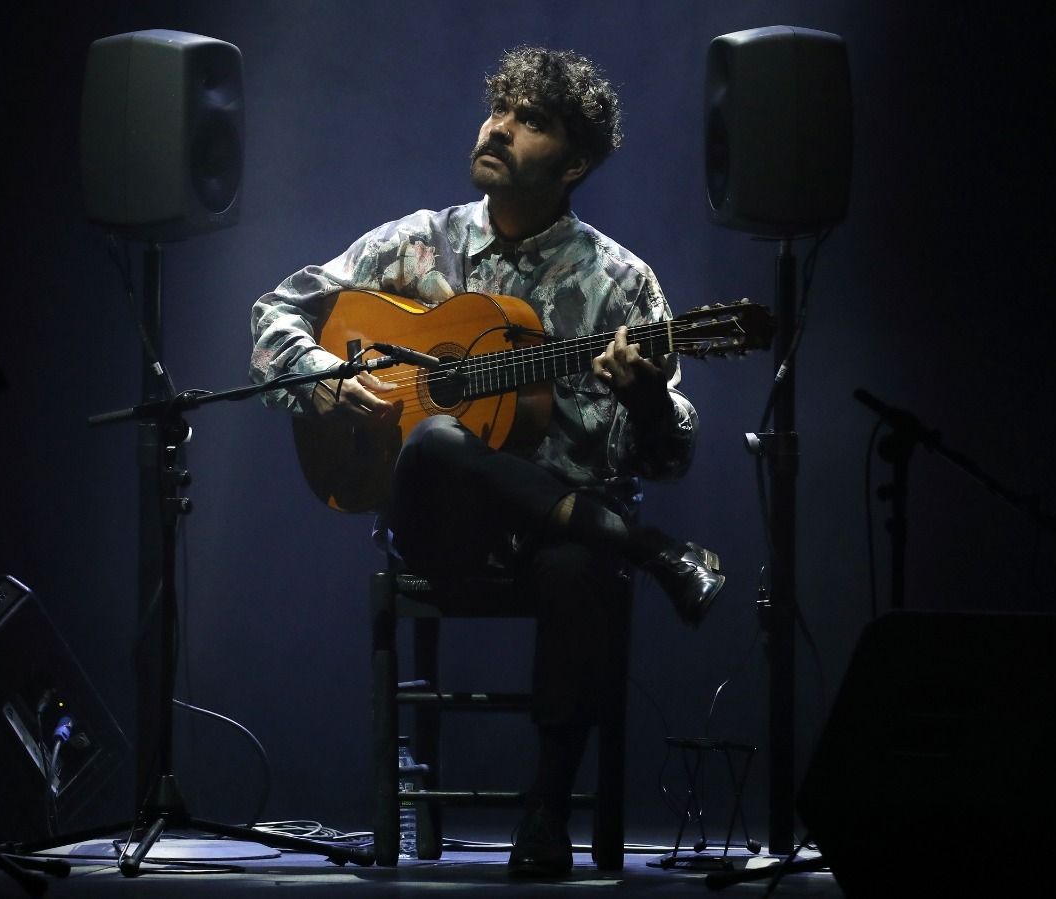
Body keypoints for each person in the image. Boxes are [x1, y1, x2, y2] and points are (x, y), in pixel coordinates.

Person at [250, 46, 723, 877]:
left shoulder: (621, 281)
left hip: (565, 531)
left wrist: (649, 401)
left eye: (530, 119)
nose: (499, 127)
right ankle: (649, 552)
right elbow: (277, 309)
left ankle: (544, 813)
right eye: (499, 108)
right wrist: (324, 381)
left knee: (578, 567)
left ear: (574, 163)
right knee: (434, 439)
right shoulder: (420, 242)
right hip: (442, 526)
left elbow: (674, 450)